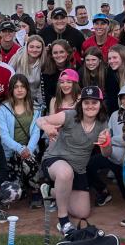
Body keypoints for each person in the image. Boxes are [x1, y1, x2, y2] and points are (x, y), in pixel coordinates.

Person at [38, 86, 110, 235]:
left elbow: (106, 154)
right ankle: (63, 222)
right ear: (81, 104)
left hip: (79, 169)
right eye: (86, 102)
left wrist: (105, 143)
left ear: (100, 104)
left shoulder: (103, 123)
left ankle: (51, 191)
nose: (90, 106)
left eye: (94, 103)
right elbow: (41, 119)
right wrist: (47, 127)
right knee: (65, 173)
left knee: (82, 213)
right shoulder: (69, 115)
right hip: (55, 160)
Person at [87, 83, 125, 206]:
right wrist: (108, 138)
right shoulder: (115, 114)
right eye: (123, 98)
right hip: (111, 155)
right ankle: (102, 190)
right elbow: (108, 131)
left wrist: (111, 139)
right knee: (89, 165)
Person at [0, 74, 43, 208]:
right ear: (11, 89)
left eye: (23, 86)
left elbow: (36, 131)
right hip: (10, 152)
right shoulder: (3, 109)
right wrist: (20, 149)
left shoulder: (36, 107)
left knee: (29, 160)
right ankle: (21, 185)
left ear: (27, 89)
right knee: (14, 188)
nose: (19, 90)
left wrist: (28, 149)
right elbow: (4, 136)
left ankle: (35, 191)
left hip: (29, 150)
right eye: (16, 87)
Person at [9, 35, 46, 110]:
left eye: (38, 47)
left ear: (42, 49)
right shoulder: (17, 58)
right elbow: (8, 76)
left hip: (34, 101)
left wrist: (41, 105)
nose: (34, 50)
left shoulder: (44, 62)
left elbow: (40, 88)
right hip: (16, 98)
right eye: (31, 47)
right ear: (27, 47)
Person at [41, 39, 76, 109]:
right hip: (53, 106)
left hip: (72, 106)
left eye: (62, 52)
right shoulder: (45, 71)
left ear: (67, 53)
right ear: (51, 55)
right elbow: (46, 96)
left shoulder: (75, 69)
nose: (59, 55)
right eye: (55, 53)